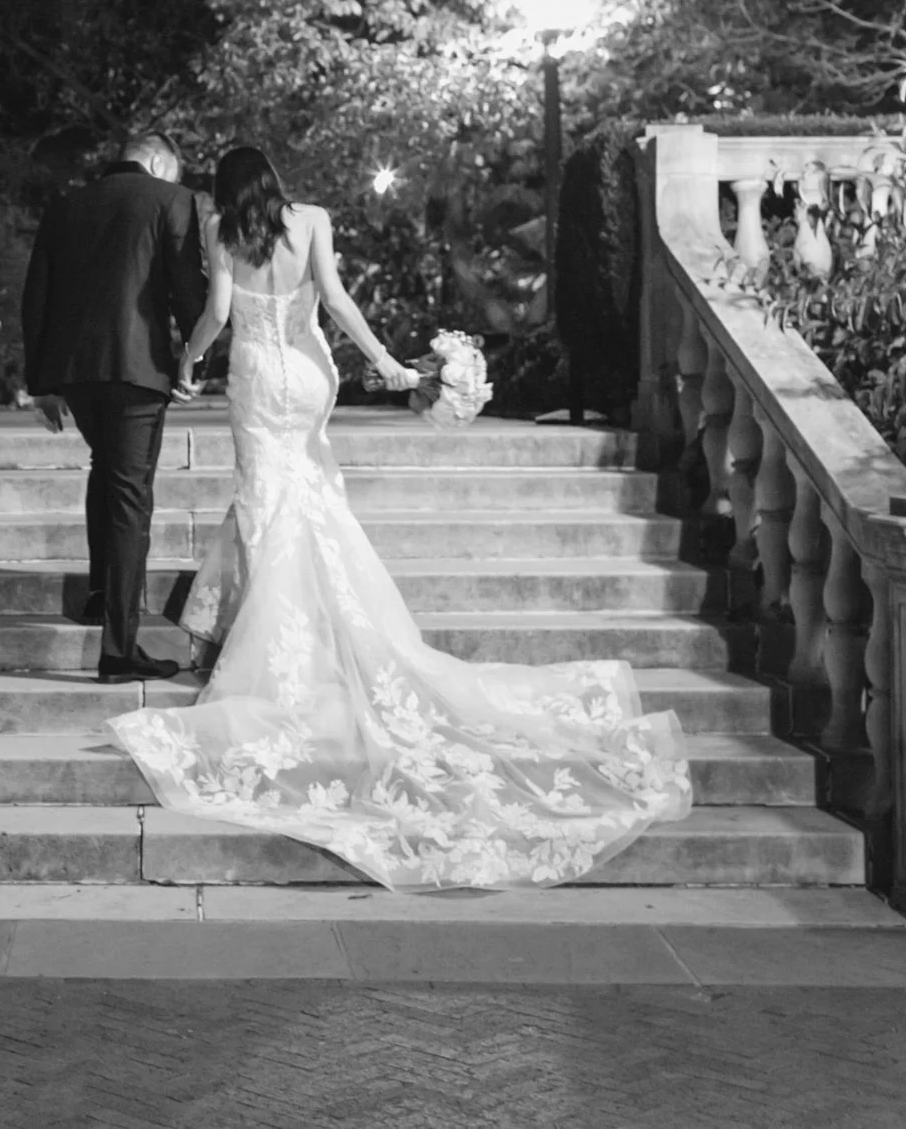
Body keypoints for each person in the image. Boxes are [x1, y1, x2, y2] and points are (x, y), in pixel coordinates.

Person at [106, 145, 691, 889]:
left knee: (268, 500)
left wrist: (188, 362)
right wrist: (383, 360)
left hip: (255, 379)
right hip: (311, 374)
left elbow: (219, 312)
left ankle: (276, 636)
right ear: (277, 181)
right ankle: (297, 622)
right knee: (309, 495)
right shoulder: (312, 219)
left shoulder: (222, 229)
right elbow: (337, 299)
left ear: (225, 190)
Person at [21, 132, 206, 684]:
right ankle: (120, 649)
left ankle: (102, 594)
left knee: (107, 473)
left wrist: (41, 383)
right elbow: (186, 290)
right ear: (156, 161)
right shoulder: (171, 200)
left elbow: (37, 296)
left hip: (76, 371)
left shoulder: (66, 205)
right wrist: (194, 361)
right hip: (137, 369)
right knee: (130, 498)